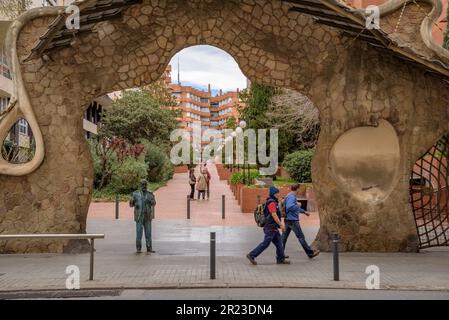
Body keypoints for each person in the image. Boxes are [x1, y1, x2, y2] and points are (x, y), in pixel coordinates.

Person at [247, 186, 290, 265]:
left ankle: (280, 259)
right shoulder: (272, 203)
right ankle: (252, 255)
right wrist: (281, 225)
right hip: (270, 227)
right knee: (265, 243)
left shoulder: (273, 201)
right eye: (277, 193)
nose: (278, 194)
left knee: (279, 242)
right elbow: (274, 214)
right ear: (273, 193)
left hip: (273, 227)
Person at [282, 184, 320, 259]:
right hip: (292, 220)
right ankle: (310, 253)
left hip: (288, 219)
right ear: (297, 189)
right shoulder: (292, 197)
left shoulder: (289, 195)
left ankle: (280, 254)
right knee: (301, 237)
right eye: (299, 189)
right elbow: (290, 207)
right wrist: (298, 205)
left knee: (283, 238)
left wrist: (304, 212)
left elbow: (292, 206)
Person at [130, 179, 156, 254]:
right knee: (139, 233)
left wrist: (151, 201)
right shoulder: (135, 194)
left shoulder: (150, 194)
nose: (144, 186)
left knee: (148, 233)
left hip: (147, 216)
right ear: (140, 185)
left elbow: (154, 203)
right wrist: (132, 202)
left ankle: (149, 248)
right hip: (139, 216)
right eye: (142, 184)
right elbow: (131, 205)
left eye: (145, 184)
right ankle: (138, 248)